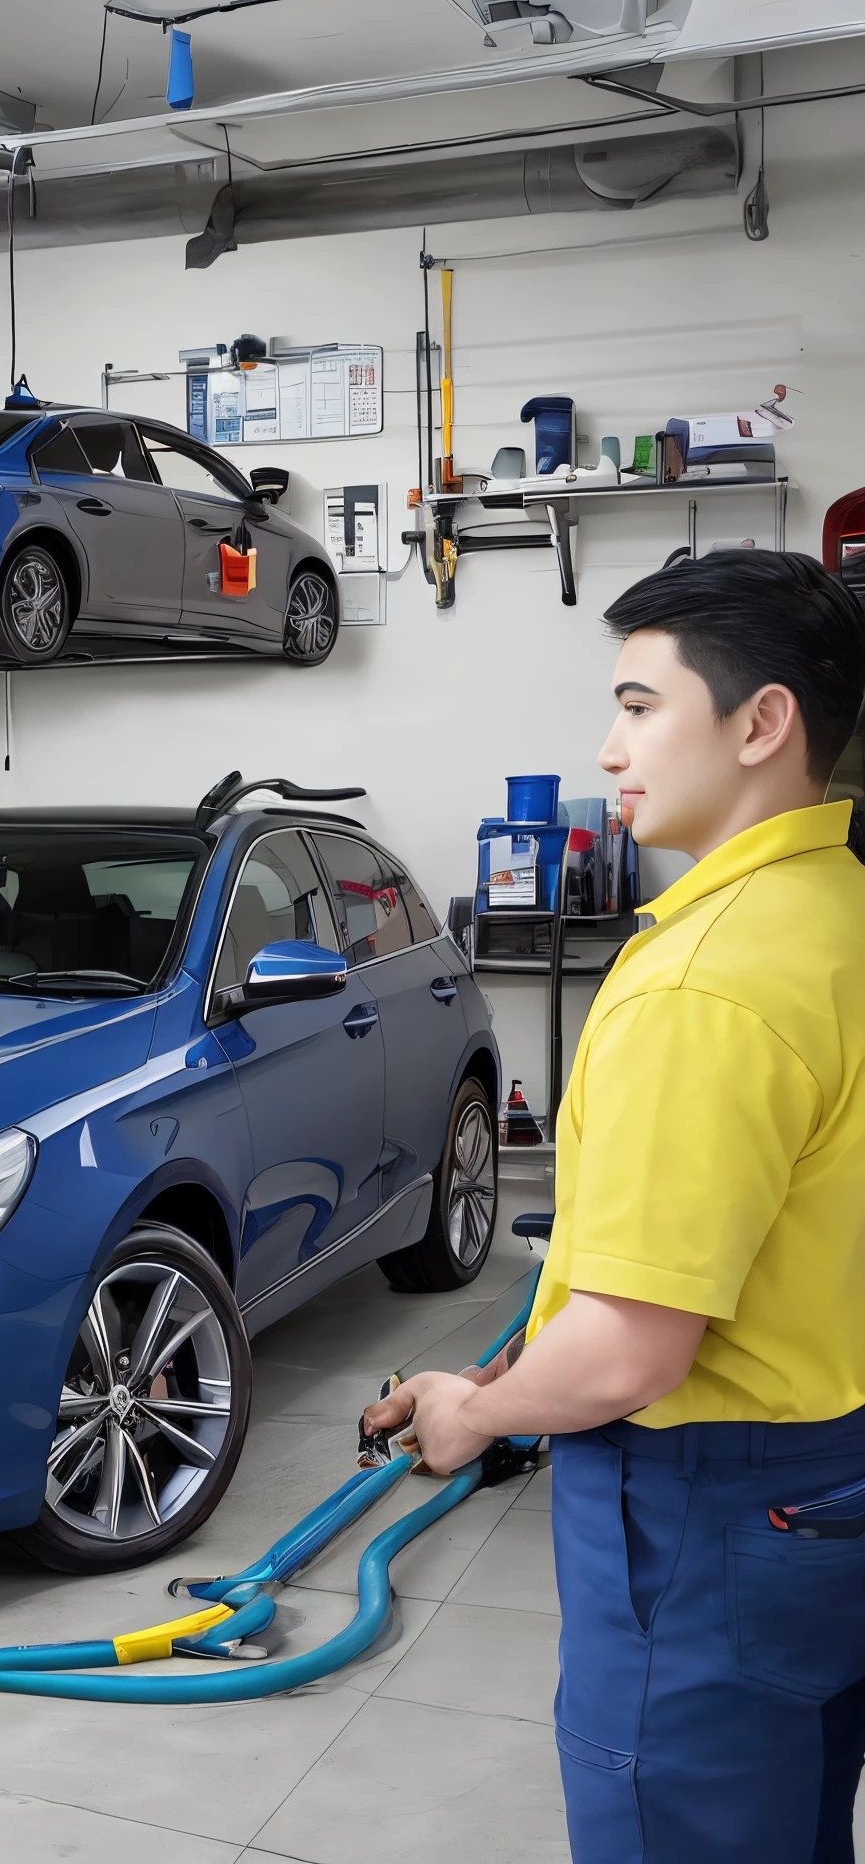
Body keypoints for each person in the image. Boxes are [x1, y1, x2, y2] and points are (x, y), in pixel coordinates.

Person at [363, 548, 865, 1863]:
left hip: (703, 1510)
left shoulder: (702, 981)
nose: (609, 746)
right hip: (833, 1477)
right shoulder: (841, 912)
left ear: (763, 723)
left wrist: (476, 1409)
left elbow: (635, 1348)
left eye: (641, 706)